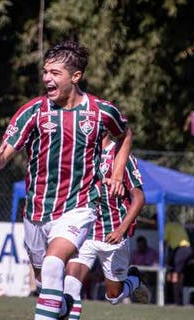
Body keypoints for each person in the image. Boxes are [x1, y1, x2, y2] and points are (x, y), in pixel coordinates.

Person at [0, 40, 133, 320]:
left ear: (75, 76)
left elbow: (125, 133)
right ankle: (65, 307)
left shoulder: (101, 112)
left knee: (53, 264)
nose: (47, 78)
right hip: (36, 211)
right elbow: (0, 162)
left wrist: (118, 170)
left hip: (78, 207)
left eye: (55, 73)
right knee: (47, 283)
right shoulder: (33, 111)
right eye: (45, 72)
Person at [61, 132, 148, 320]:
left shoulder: (121, 156)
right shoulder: (82, 154)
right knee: (71, 285)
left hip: (113, 234)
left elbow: (140, 198)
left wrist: (121, 229)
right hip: (84, 231)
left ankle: (133, 280)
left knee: (113, 296)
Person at [164, 221, 192, 305]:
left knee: (175, 276)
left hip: (181, 250)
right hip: (187, 249)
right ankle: (178, 300)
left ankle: (177, 301)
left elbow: (164, 242)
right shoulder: (175, 224)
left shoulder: (166, 226)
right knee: (179, 275)